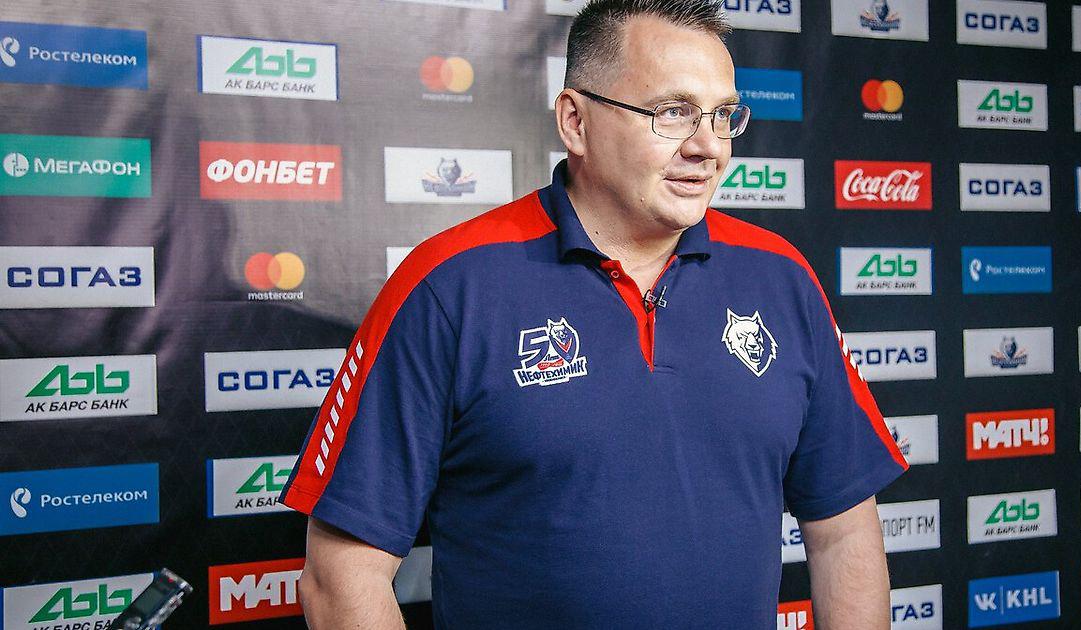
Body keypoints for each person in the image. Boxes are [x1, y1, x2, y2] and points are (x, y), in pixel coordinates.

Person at [280, 0, 907, 627]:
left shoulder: (782, 277)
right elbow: (342, 576)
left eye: (723, 116)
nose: (708, 147)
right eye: (673, 112)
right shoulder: (449, 284)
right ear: (575, 122)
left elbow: (844, 533)